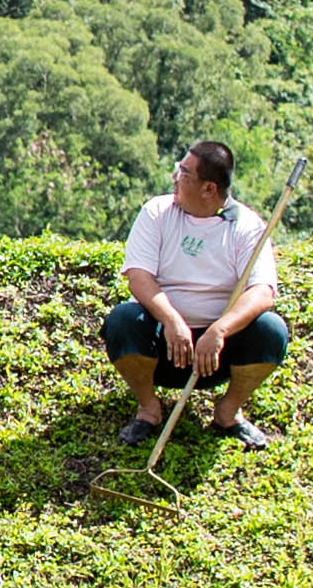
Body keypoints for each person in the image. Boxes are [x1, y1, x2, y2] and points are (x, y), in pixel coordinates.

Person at [109, 138, 288, 447]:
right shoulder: (157, 212)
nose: (175, 178)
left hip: (218, 351)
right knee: (122, 321)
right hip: (163, 342)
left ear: (209, 189)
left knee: (271, 331)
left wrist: (219, 330)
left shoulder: (246, 226)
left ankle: (228, 412)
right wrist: (173, 322)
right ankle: (149, 408)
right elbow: (138, 277)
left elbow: (262, 292)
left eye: (185, 173)